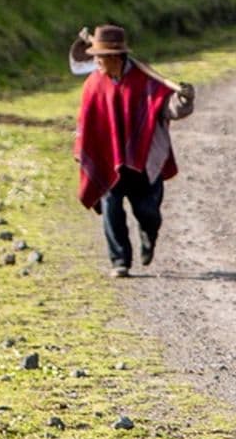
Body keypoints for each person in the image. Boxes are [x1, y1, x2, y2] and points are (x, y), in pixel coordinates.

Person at [71, 25, 194, 278]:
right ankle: (120, 261)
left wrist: (184, 100)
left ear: (115, 57)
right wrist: (82, 147)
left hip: (144, 159)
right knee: (111, 208)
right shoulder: (93, 84)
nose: (96, 61)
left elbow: (169, 109)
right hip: (108, 160)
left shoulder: (146, 83)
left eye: (100, 57)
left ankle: (149, 234)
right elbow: (85, 123)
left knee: (148, 213)